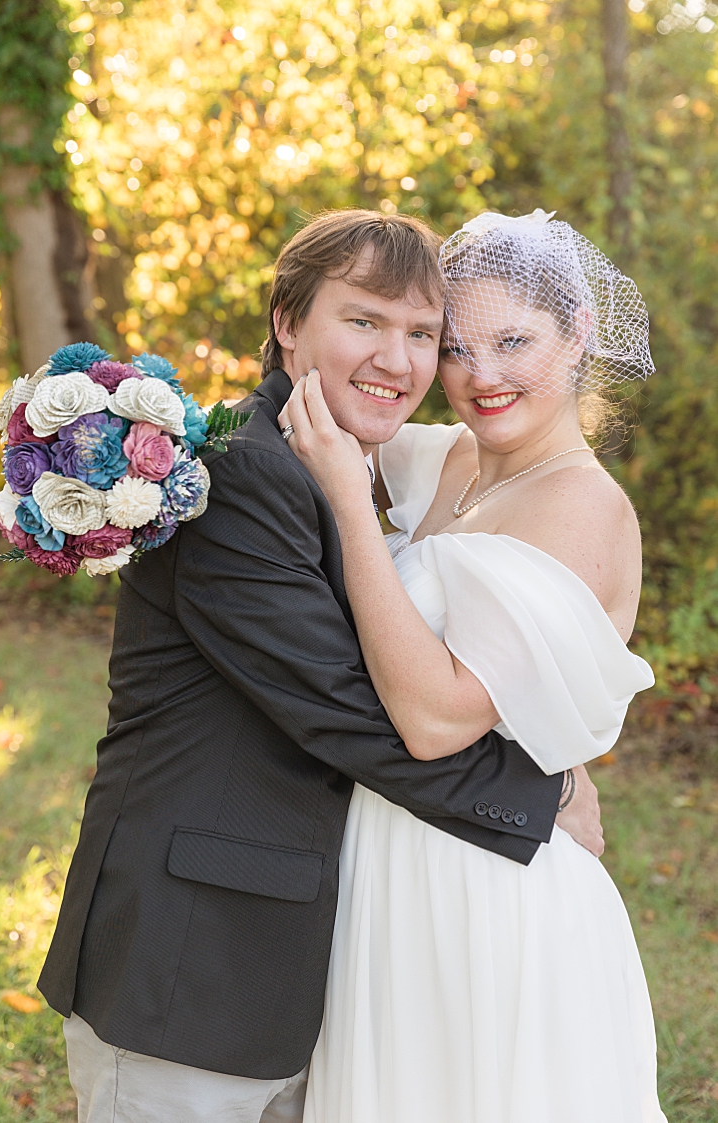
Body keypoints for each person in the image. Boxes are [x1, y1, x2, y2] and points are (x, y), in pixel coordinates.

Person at [35, 209, 604, 1123]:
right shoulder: (239, 474)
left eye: (424, 334)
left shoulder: (341, 462)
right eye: (365, 320)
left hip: (293, 972)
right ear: (289, 322)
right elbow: (345, 709)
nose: (399, 358)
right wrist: (546, 791)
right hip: (189, 968)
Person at [282, 210, 662, 1122]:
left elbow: (439, 716)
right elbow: (339, 398)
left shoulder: (582, 506)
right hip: (392, 867)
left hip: (487, 894)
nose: (481, 375)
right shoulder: (450, 463)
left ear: (577, 338)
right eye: (454, 345)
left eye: (515, 341)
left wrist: (344, 496)